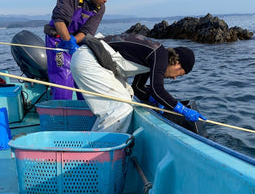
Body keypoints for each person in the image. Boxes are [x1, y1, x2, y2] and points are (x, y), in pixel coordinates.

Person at [70, 33, 206, 133]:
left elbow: (137, 87)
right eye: (180, 74)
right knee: (120, 110)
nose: (175, 78)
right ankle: (96, 155)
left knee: (128, 95)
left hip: (93, 60)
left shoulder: (154, 56)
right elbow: (157, 88)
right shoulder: (160, 55)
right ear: (177, 63)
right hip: (90, 62)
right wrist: (181, 109)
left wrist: (153, 99)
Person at [44, 0, 114, 100]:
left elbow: (87, 31)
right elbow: (59, 21)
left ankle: (84, 111)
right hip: (58, 39)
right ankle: (62, 113)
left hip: (78, 41)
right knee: (63, 76)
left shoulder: (100, 8)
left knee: (83, 74)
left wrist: (74, 43)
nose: (106, 0)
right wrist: (68, 42)